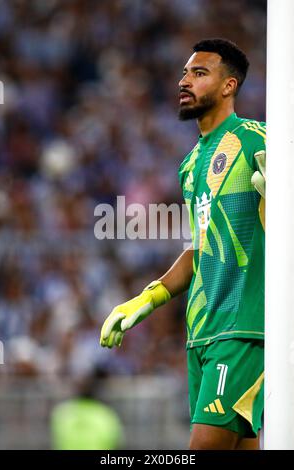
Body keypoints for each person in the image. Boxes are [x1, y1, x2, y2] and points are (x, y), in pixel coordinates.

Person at [100, 38, 266, 450]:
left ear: (229, 86)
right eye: (184, 73)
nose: (184, 80)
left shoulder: (255, 140)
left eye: (199, 73)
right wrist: (145, 299)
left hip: (240, 328)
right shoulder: (190, 165)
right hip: (201, 334)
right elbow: (198, 247)